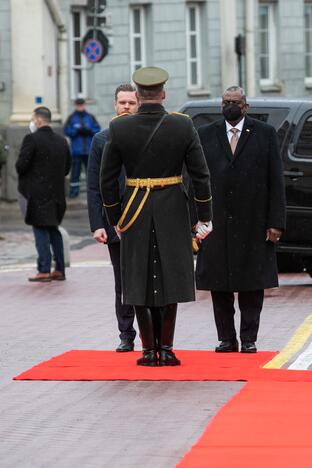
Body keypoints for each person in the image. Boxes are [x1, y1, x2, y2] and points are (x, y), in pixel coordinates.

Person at [100, 66, 213, 366]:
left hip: (134, 208)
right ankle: (168, 348)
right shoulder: (183, 126)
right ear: (163, 94)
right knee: (171, 276)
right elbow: (201, 175)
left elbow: (106, 179)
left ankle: (149, 350)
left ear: (137, 96)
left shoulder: (119, 128)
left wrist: (115, 218)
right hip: (173, 206)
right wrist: (204, 215)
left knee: (138, 277)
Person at [195, 86, 286, 354]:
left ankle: (249, 338)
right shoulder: (206, 134)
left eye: (234, 102)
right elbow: (196, 180)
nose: (229, 106)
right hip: (216, 222)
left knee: (251, 283)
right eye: (225, 102)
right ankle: (226, 338)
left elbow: (275, 180)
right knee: (218, 284)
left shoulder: (265, 134)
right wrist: (197, 219)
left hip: (253, 221)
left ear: (245, 106)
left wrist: (276, 222)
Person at [86, 84, 139, 352]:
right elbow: (94, 186)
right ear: (115, 105)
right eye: (122, 103)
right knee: (123, 282)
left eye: (131, 102)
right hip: (115, 222)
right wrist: (97, 224)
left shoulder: (148, 137)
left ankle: (152, 335)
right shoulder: (101, 140)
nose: (126, 107)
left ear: (139, 104)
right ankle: (126, 333)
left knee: (146, 280)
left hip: (145, 221)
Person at [16, 106, 72, 282]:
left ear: (38, 120)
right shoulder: (62, 141)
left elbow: (21, 166)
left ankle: (44, 269)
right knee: (53, 229)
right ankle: (60, 269)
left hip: (37, 195)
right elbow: (67, 168)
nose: (32, 122)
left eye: (33, 119)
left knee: (40, 229)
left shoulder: (31, 139)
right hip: (57, 193)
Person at [64, 98, 100, 198]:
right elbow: (66, 130)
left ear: (84, 105)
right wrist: (76, 131)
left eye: (82, 105)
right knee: (75, 173)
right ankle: (74, 192)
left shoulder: (90, 117)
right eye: (78, 105)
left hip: (89, 151)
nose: (80, 107)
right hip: (76, 151)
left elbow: (97, 130)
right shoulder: (71, 118)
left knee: (91, 173)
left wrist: (89, 131)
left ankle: (93, 192)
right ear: (75, 106)